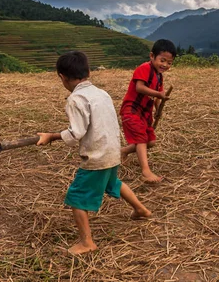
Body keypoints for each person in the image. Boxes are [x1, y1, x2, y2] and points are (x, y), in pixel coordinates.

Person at [37, 51, 151, 255]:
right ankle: (141, 209)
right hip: (112, 151)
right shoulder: (102, 93)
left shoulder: (75, 99)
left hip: (96, 157)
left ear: (62, 77)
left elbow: (76, 133)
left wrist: (51, 136)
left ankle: (87, 242)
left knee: (76, 197)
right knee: (113, 183)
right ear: (88, 71)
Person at [120, 39, 177, 183]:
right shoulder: (144, 68)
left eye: (169, 63)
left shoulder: (159, 77)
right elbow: (140, 87)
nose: (165, 65)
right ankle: (145, 171)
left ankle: (123, 152)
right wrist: (158, 95)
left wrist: (158, 109)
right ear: (152, 56)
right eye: (162, 60)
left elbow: (159, 96)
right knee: (140, 139)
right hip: (131, 110)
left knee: (150, 142)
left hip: (144, 113)